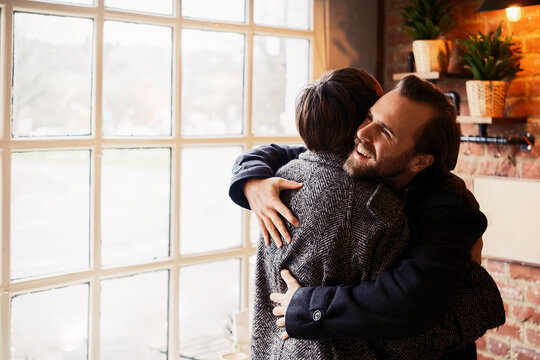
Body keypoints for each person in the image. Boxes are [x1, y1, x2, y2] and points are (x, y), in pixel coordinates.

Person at [230, 74, 505, 359]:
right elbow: (290, 152)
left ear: (420, 161)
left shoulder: (451, 207)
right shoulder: (363, 163)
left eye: (385, 132)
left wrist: (304, 305)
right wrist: (251, 181)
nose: (362, 132)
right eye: (368, 116)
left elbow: (407, 300)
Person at [252, 67, 412, 359]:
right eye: (372, 115)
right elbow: (397, 318)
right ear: (361, 125)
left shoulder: (276, 180)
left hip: (272, 351)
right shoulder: (374, 204)